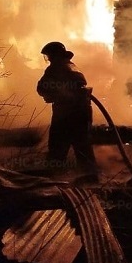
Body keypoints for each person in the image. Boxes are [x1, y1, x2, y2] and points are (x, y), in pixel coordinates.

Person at [36, 42, 98, 175]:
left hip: (65, 115)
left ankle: (54, 178)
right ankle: (90, 176)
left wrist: (52, 95)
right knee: (83, 147)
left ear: (54, 55)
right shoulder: (73, 66)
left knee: (57, 148)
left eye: (49, 55)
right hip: (83, 114)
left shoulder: (55, 68)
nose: (48, 59)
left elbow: (41, 88)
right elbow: (75, 89)